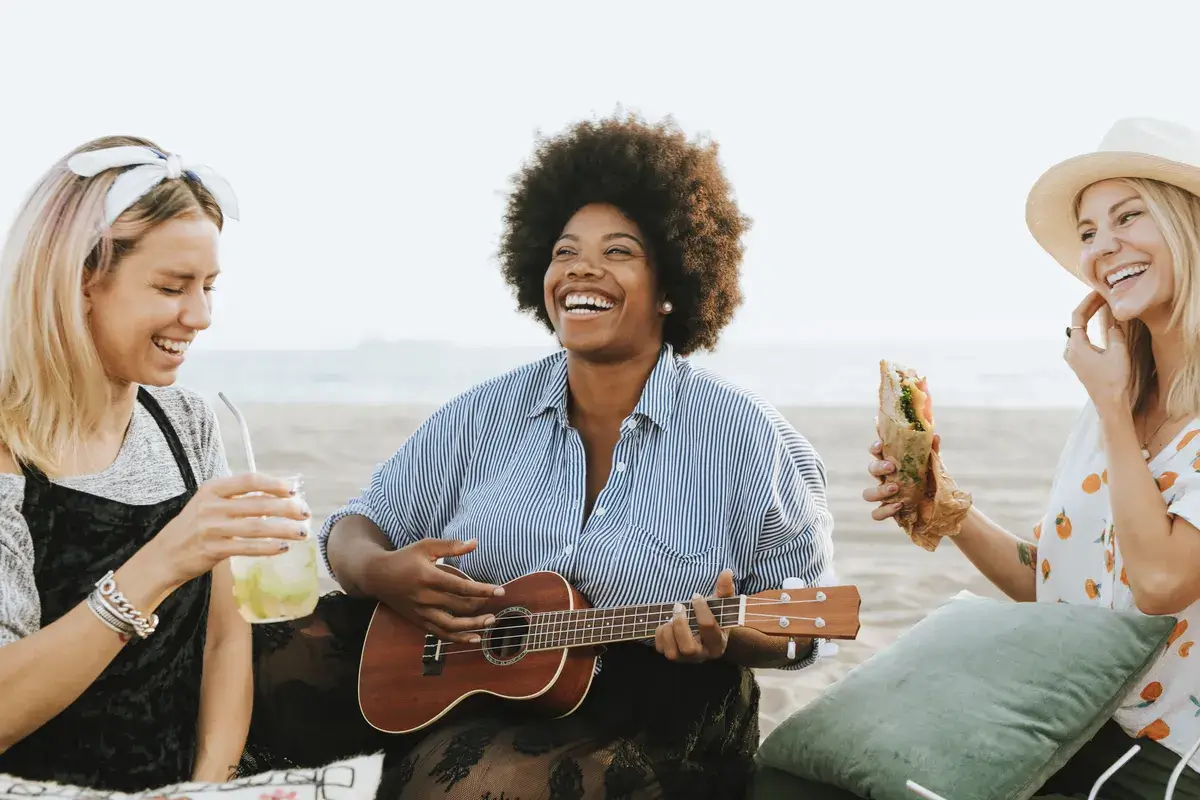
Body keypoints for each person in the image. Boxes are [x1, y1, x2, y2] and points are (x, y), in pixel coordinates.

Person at [245, 113, 837, 799]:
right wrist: (379, 571)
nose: (582, 267)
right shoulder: (485, 411)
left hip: (654, 710)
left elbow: (802, 621)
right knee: (252, 657)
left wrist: (726, 640)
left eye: (619, 252)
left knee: (466, 780)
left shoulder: (746, 435)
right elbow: (356, 523)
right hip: (466, 673)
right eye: (564, 251)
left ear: (674, 283)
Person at [864, 117, 1200, 798]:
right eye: (1087, 233)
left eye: (1129, 217)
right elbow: (1056, 592)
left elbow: (1162, 582)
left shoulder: (1107, 400)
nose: (1104, 248)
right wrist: (944, 506)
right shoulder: (1112, 398)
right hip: (1069, 723)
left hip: (1169, 760)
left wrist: (1109, 407)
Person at [0, 137, 309, 790]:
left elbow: (227, 641)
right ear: (82, 279)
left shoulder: (184, 423)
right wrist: (161, 563)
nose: (199, 317)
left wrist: (208, 784)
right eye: (172, 287)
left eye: (208, 287)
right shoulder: (7, 448)